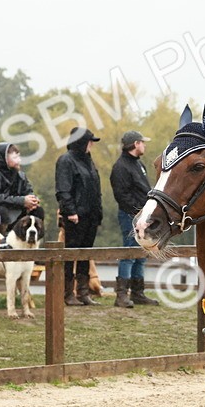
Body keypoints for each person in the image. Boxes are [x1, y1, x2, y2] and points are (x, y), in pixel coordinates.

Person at [110, 130, 159, 308]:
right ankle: (121, 295)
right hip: (130, 215)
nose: (144, 145)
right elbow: (121, 196)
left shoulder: (138, 165)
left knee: (142, 253)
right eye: (142, 142)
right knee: (129, 253)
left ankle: (138, 293)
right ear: (136, 144)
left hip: (142, 216)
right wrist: (137, 213)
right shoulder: (121, 167)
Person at [55, 126, 104, 306]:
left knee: (85, 254)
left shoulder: (88, 161)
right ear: (82, 142)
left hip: (90, 216)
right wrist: (70, 212)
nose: (91, 145)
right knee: (70, 255)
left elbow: (95, 189)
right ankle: (67, 293)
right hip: (75, 217)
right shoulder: (66, 161)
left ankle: (83, 293)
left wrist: (98, 213)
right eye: (90, 141)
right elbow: (63, 189)